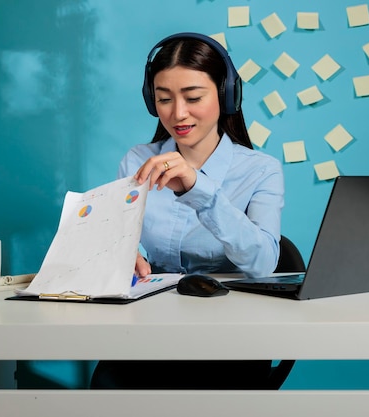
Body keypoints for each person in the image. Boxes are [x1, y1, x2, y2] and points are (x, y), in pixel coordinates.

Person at [90, 32, 285, 389]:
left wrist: (199, 190)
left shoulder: (261, 169)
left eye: (193, 97)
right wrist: (120, 253)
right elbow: (115, 243)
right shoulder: (137, 161)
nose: (178, 113)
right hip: (148, 330)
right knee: (107, 388)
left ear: (226, 96)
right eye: (164, 99)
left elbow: (263, 262)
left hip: (230, 337)